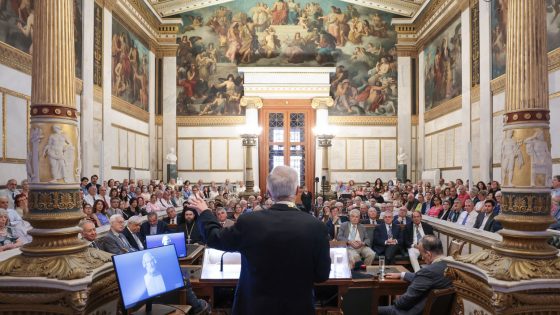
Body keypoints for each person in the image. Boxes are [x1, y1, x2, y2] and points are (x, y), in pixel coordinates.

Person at [188, 165, 331, 315]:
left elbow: (214, 237)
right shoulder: (316, 227)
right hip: (298, 307)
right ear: (296, 192)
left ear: (269, 192)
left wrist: (204, 212)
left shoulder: (250, 222)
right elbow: (322, 275)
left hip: (255, 308)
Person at [379, 235, 452, 315]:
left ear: (428, 254)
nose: (422, 259)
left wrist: (396, 299)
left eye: (422, 255)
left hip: (412, 312)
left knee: (372, 309)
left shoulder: (428, 272)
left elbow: (402, 303)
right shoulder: (451, 266)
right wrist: (402, 274)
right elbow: (427, 278)